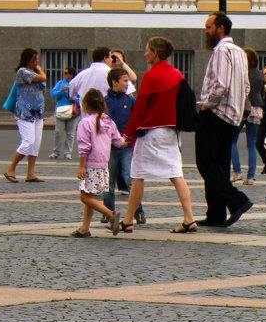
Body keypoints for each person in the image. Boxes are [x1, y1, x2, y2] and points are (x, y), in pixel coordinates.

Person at [120, 37, 198, 234]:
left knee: (138, 175)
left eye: (147, 50)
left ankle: (128, 220)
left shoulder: (150, 76)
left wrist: (127, 134)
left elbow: (140, 109)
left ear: (155, 52)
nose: (145, 53)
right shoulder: (177, 74)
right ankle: (189, 218)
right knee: (176, 175)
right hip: (171, 132)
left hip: (150, 133)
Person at [195, 11, 252, 227]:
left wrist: (207, 104)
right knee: (219, 164)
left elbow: (221, 84)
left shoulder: (221, 51)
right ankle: (216, 213)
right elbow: (245, 86)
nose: (206, 31)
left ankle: (237, 200)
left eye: (208, 27)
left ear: (220, 28)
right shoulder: (239, 52)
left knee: (206, 162)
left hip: (217, 113)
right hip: (233, 115)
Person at [72, 89, 125, 237]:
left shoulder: (85, 122)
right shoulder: (107, 120)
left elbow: (84, 146)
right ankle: (85, 228)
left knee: (85, 197)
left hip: (90, 164)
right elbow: (119, 141)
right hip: (103, 165)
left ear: (86, 105)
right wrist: (126, 141)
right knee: (90, 197)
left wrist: (82, 166)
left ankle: (111, 214)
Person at [103, 67, 144, 225]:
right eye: (125, 81)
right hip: (110, 148)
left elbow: (137, 121)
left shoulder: (130, 101)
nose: (128, 84)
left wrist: (131, 138)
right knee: (109, 182)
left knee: (129, 178)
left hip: (127, 146)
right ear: (114, 82)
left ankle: (138, 211)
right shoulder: (105, 102)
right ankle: (108, 212)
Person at [4, 48, 46, 181]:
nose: (37, 61)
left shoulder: (32, 72)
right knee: (28, 141)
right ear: (28, 60)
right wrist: (40, 69)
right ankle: (11, 168)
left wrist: (37, 69)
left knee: (35, 144)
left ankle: (31, 174)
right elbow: (43, 78)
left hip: (38, 112)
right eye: (35, 59)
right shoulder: (23, 72)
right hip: (24, 112)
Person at [236, 47, 265, 186]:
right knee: (251, 144)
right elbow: (262, 93)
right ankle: (251, 176)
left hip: (243, 108)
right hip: (257, 108)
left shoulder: (242, 73)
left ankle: (237, 171)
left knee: (232, 141)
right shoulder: (260, 74)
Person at [69, 47, 136, 105]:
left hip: (86, 116)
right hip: (107, 117)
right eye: (110, 57)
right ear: (105, 58)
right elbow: (129, 91)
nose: (112, 60)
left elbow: (71, 94)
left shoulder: (81, 75)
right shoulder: (112, 74)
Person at [50, 67, 77, 160]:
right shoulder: (60, 83)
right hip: (61, 110)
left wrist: (74, 99)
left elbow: (81, 98)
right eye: (64, 73)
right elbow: (53, 95)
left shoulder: (76, 84)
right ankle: (56, 152)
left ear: (71, 75)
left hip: (73, 111)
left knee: (70, 133)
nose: (65, 74)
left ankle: (67, 152)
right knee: (58, 131)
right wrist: (61, 91)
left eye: (66, 73)